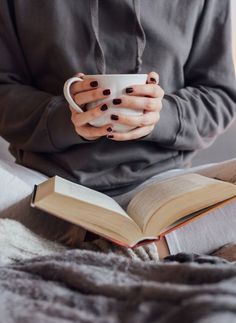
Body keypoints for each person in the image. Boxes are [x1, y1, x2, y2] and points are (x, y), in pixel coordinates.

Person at [0, 0, 235, 261]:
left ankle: (119, 251)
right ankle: (123, 253)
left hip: (161, 187)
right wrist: (63, 117)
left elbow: (220, 95)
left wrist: (161, 116)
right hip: (43, 186)